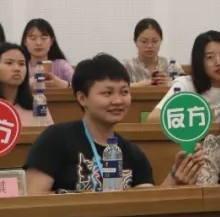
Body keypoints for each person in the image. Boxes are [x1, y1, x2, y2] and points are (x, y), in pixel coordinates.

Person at [24, 54, 200, 193]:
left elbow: (146, 205)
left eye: (124, 92)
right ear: (82, 98)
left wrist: (175, 176)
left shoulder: (133, 154)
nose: (118, 101)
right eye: (107, 93)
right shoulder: (54, 140)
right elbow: (34, 199)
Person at [147, 31, 220, 123]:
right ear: (199, 61)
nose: (219, 62)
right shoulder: (185, 85)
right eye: (210, 57)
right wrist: (194, 117)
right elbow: (152, 119)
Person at [22, 18, 74, 89]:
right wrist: (27, 86)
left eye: (43, 38)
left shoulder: (62, 65)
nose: (38, 43)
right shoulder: (21, 66)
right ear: (25, 41)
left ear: (51, 41)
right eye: (33, 38)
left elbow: (80, 85)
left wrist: (65, 85)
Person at [122, 18, 171, 87]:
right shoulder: (126, 67)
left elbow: (184, 87)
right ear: (135, 41)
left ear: (161, 40)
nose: (150, 46)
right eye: (144, 41)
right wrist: (138, 86)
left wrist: (169, 85)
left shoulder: (170, 66)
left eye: (155, 41)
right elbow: (116, 88)